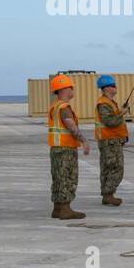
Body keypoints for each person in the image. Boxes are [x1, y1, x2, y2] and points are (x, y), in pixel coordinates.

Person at [46, 73, 90, 219]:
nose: (73, 90)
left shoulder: (55, 106)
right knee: (68, 177)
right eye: (71, 87)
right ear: (64, 88)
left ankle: (57, 208)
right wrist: (83, 140)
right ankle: (65, 209)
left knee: (58, 177)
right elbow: (70, 125)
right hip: (65, 148)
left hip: (56, 148)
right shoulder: (64, 107)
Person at [94, 74, 129, 206]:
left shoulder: (109, 103)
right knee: (116, 167)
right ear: (106, 88)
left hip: (112, 140)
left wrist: (120, 111)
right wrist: (122, 113)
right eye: (113, 85)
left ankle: (107, 195)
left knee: (108, 167)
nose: (115, 88)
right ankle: (108, 194)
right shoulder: (103, 103)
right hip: (109, 141)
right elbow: (109, 121)